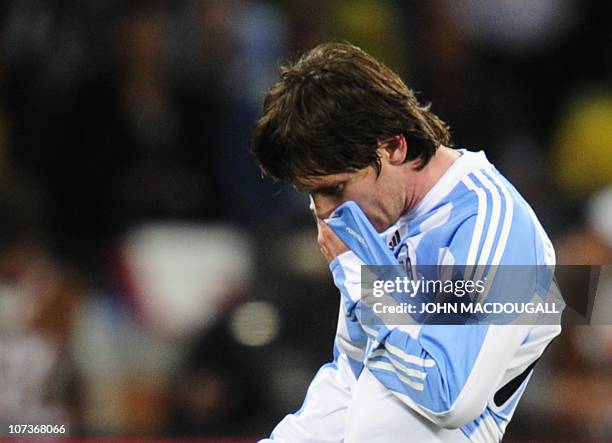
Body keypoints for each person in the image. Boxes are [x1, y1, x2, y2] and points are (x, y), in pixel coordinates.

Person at [251, 41, 561, 443]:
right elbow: (352, 374)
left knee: (383, 413)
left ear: (394, 146)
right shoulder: (375, 215)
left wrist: (363, 278)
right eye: (311, 194)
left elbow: (449, 394)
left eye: (335, 188)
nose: (324, 213)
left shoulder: (488, 221)